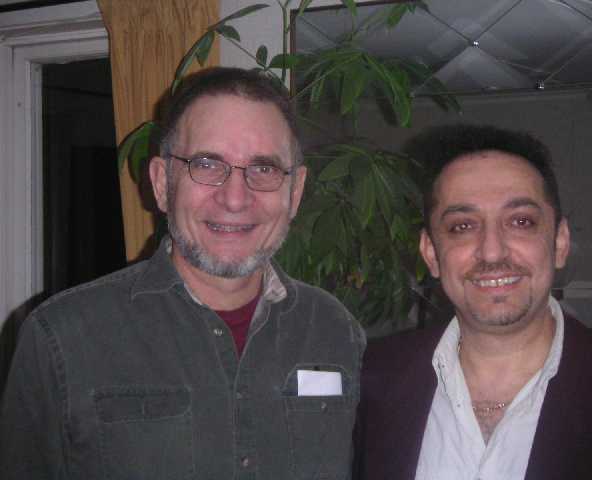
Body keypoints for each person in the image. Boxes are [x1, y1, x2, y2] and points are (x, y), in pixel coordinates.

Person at [0, 67, 365, 480]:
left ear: (295, 193)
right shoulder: (60, 339)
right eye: (207, 164)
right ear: (161, 183)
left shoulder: (336, 331)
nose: (234, 199)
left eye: (263, 169)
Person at [354, 124, 592, 480]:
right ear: (430, 254)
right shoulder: (369, 382)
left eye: (520, 221)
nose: (492, 251)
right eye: (462, 226)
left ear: (560, 242)